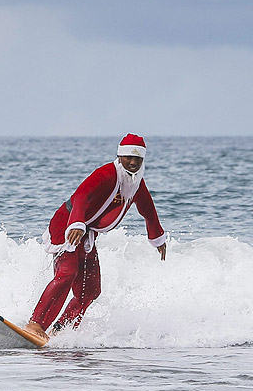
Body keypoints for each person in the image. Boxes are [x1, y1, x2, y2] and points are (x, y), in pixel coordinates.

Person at [24, 133, 166, 342]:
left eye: (138, 158)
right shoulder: (106, 173)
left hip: (86, 232)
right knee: (67, 272)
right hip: (67, 224)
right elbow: (82, 195)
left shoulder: (135, 183)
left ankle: (60, 331)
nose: (133, 162)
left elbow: (147, 208)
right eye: (129, 157)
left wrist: (158, 238)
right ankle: (35, 325)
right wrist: (77, 223)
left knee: (90, 290)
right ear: (120, 156)